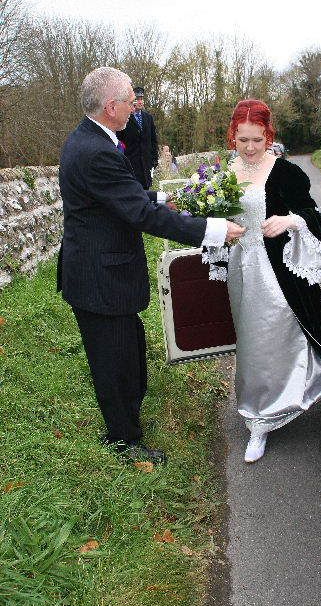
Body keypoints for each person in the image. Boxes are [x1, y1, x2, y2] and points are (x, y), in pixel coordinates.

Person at [57, 67, 244, 464]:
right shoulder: (96, 151)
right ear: (111, 107)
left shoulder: (90, 139)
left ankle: (127, 423)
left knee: (127, 353)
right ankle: (123, 442)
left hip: (100, 272)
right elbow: (139, 215)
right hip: (99, 278)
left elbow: (122, 195)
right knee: (113, 363)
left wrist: (161, 198)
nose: (135, 107)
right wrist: (212, 230)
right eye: (130, 101)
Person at [212, 99, 321, 463]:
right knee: (253, 343)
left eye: (257, 139)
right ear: (233, 135)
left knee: (284, 336)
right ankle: (258, 416)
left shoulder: (286, 172)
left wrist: (289, 220)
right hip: (243, 270)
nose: (250, 147)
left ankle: (268, 413)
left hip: (279, 272)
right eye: (243, 139)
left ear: (268, 135)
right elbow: (217, 218)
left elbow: (311, 214)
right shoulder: (224, 173)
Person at [116, 86, 158, 188]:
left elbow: (153, 141)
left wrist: (154, 161)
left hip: (146, 168)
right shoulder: (125, 118)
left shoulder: (148, 118)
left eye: (142, 99)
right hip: (131, 167)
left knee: (147, 194)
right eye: (137, 99)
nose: (140, 102)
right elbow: (119, 142)